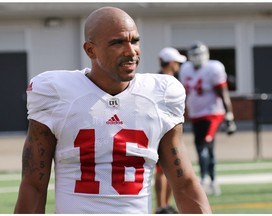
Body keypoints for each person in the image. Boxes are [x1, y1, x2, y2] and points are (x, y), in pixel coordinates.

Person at [14, 7, 211, 214]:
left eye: (134, 41)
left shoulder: (161, 95)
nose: (131, 51)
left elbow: (184, 183)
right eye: (118, 42)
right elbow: (34, 185)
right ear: (91, 50)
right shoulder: (55, 93)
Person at [179, 41, 237, 196]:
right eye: (194, 55)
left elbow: (223, 93)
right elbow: (184, 94)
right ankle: (213, 180)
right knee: (205, 148)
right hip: (196, 114)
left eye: (199, 54)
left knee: (204, 144)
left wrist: (229, 117)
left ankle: (204, 180)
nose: (197, 58)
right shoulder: (185, 69)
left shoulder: (213, 68)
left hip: (213, 113)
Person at [154, 47, 186, 214]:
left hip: (163, 129)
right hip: (164, 130)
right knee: (163, 171)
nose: (179, 66)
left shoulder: (158, 79)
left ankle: (164, 205)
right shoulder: (166, 81)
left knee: (167, 172)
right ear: (172, 62)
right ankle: (161, 206)